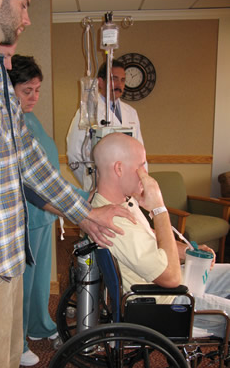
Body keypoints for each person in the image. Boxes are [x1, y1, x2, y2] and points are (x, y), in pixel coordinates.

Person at [0, 0, 135, 368]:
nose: (26, 18)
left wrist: (86, 213)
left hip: (10, 259)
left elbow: (33, 163)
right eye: (23, 3)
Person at [92, 133, 230, 339]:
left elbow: (151, 237)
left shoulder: (120, 204)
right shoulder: (115, 222)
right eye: (141, 166)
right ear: (119, 168)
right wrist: (159, 208)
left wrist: (187, 251)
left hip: (173, 286)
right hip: (167, 303)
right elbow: (172, 279)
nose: (147, 174)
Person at [6, 54, 90, 366]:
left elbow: (49, 172)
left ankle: (39, 325)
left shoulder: (32, 119)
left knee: (41, 279)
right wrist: (80, 204)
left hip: (44, 216)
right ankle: (18, 340)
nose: (34, 97)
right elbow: (30, 182)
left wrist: (81, 196)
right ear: (9, 87)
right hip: (25, 215)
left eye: (38, 90)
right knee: (23, 282)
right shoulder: (10, 123)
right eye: (27, 90)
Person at [66, 59, 146, 191]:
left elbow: (140, 152)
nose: (119, 84)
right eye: (114, 79)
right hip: (100, 186)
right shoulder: (88, 111)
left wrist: (141, 183)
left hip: (129, 186)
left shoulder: (131, 112)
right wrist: (90, 182)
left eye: (122, 80)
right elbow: (74, 153)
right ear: (100, 82)